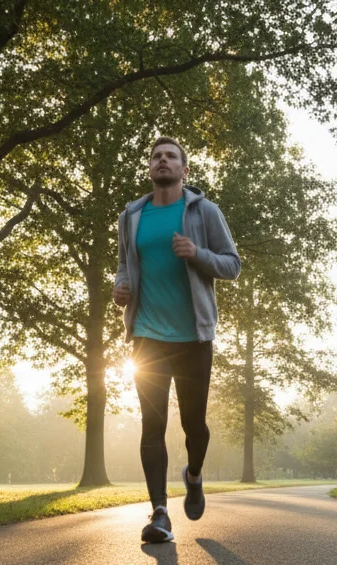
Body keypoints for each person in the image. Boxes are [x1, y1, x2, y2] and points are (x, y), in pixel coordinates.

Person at [113, 137, 240, 543]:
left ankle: (194, 474)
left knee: (194, 426)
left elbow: (232, 265)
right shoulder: (132, 215)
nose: (162, 161)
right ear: (149, 167)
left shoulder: (204, 211)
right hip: (147, 338)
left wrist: (196, 253)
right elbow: (124, 265)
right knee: (152, 425)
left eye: (170, 156)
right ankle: (160, 514)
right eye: (156, 156)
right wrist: (121, 288)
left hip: (193, 338)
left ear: (185, 170)